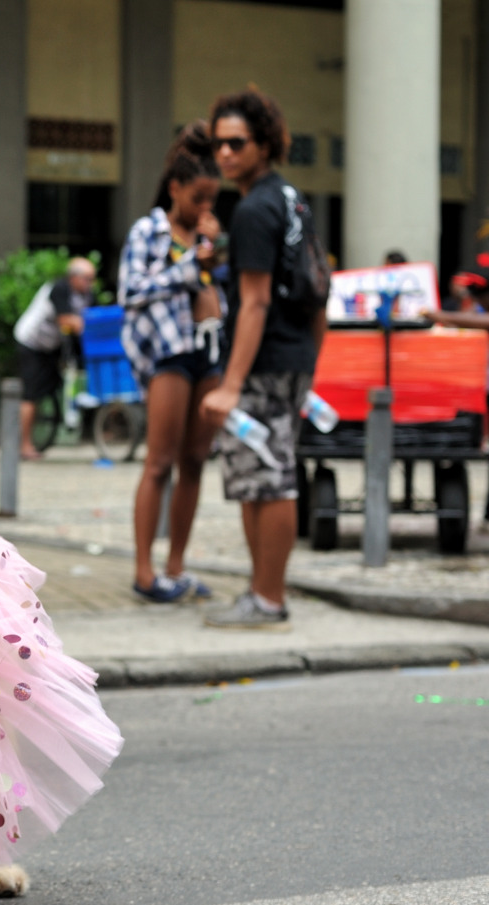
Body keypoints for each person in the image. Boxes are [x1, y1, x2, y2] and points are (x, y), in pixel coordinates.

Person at [199, 88, 326, 631]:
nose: (224, 154)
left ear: (264, 144)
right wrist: (310, 360)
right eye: (218, 144)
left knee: (269, 479)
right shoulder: (292, 199)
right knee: (261, 477)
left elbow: (253, 301)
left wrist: (230, 384)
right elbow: (322, 284)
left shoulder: (254, 208)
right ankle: (261, 591)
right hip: (290, 358)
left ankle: (268, 599)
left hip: (262, 362)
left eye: (237, 143)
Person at [119, 122, 225, 604]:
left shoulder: (207, 237)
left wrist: (213, 255)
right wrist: (189, 266)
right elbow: (131, 291)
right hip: (167, 351)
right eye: (199, 197)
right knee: (160, 461)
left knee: (196, 461)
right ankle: (144, 573)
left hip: (208, 351)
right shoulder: (149, 230)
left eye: (213, 199)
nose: (206, 207)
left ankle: (177, 567)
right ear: (177, 187)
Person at [13, 257, 95, 459]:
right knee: (30, 393)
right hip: (31, 342)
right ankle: (24, 446)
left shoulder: (86, 295)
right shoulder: (59, 288)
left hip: (52, 346)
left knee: (53, 385)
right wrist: (87, 324)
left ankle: (54, 423)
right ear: (74, 277)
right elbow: (66, 319)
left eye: (92, 279)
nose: (89, 284)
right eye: (86, 279)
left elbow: (93, 316)